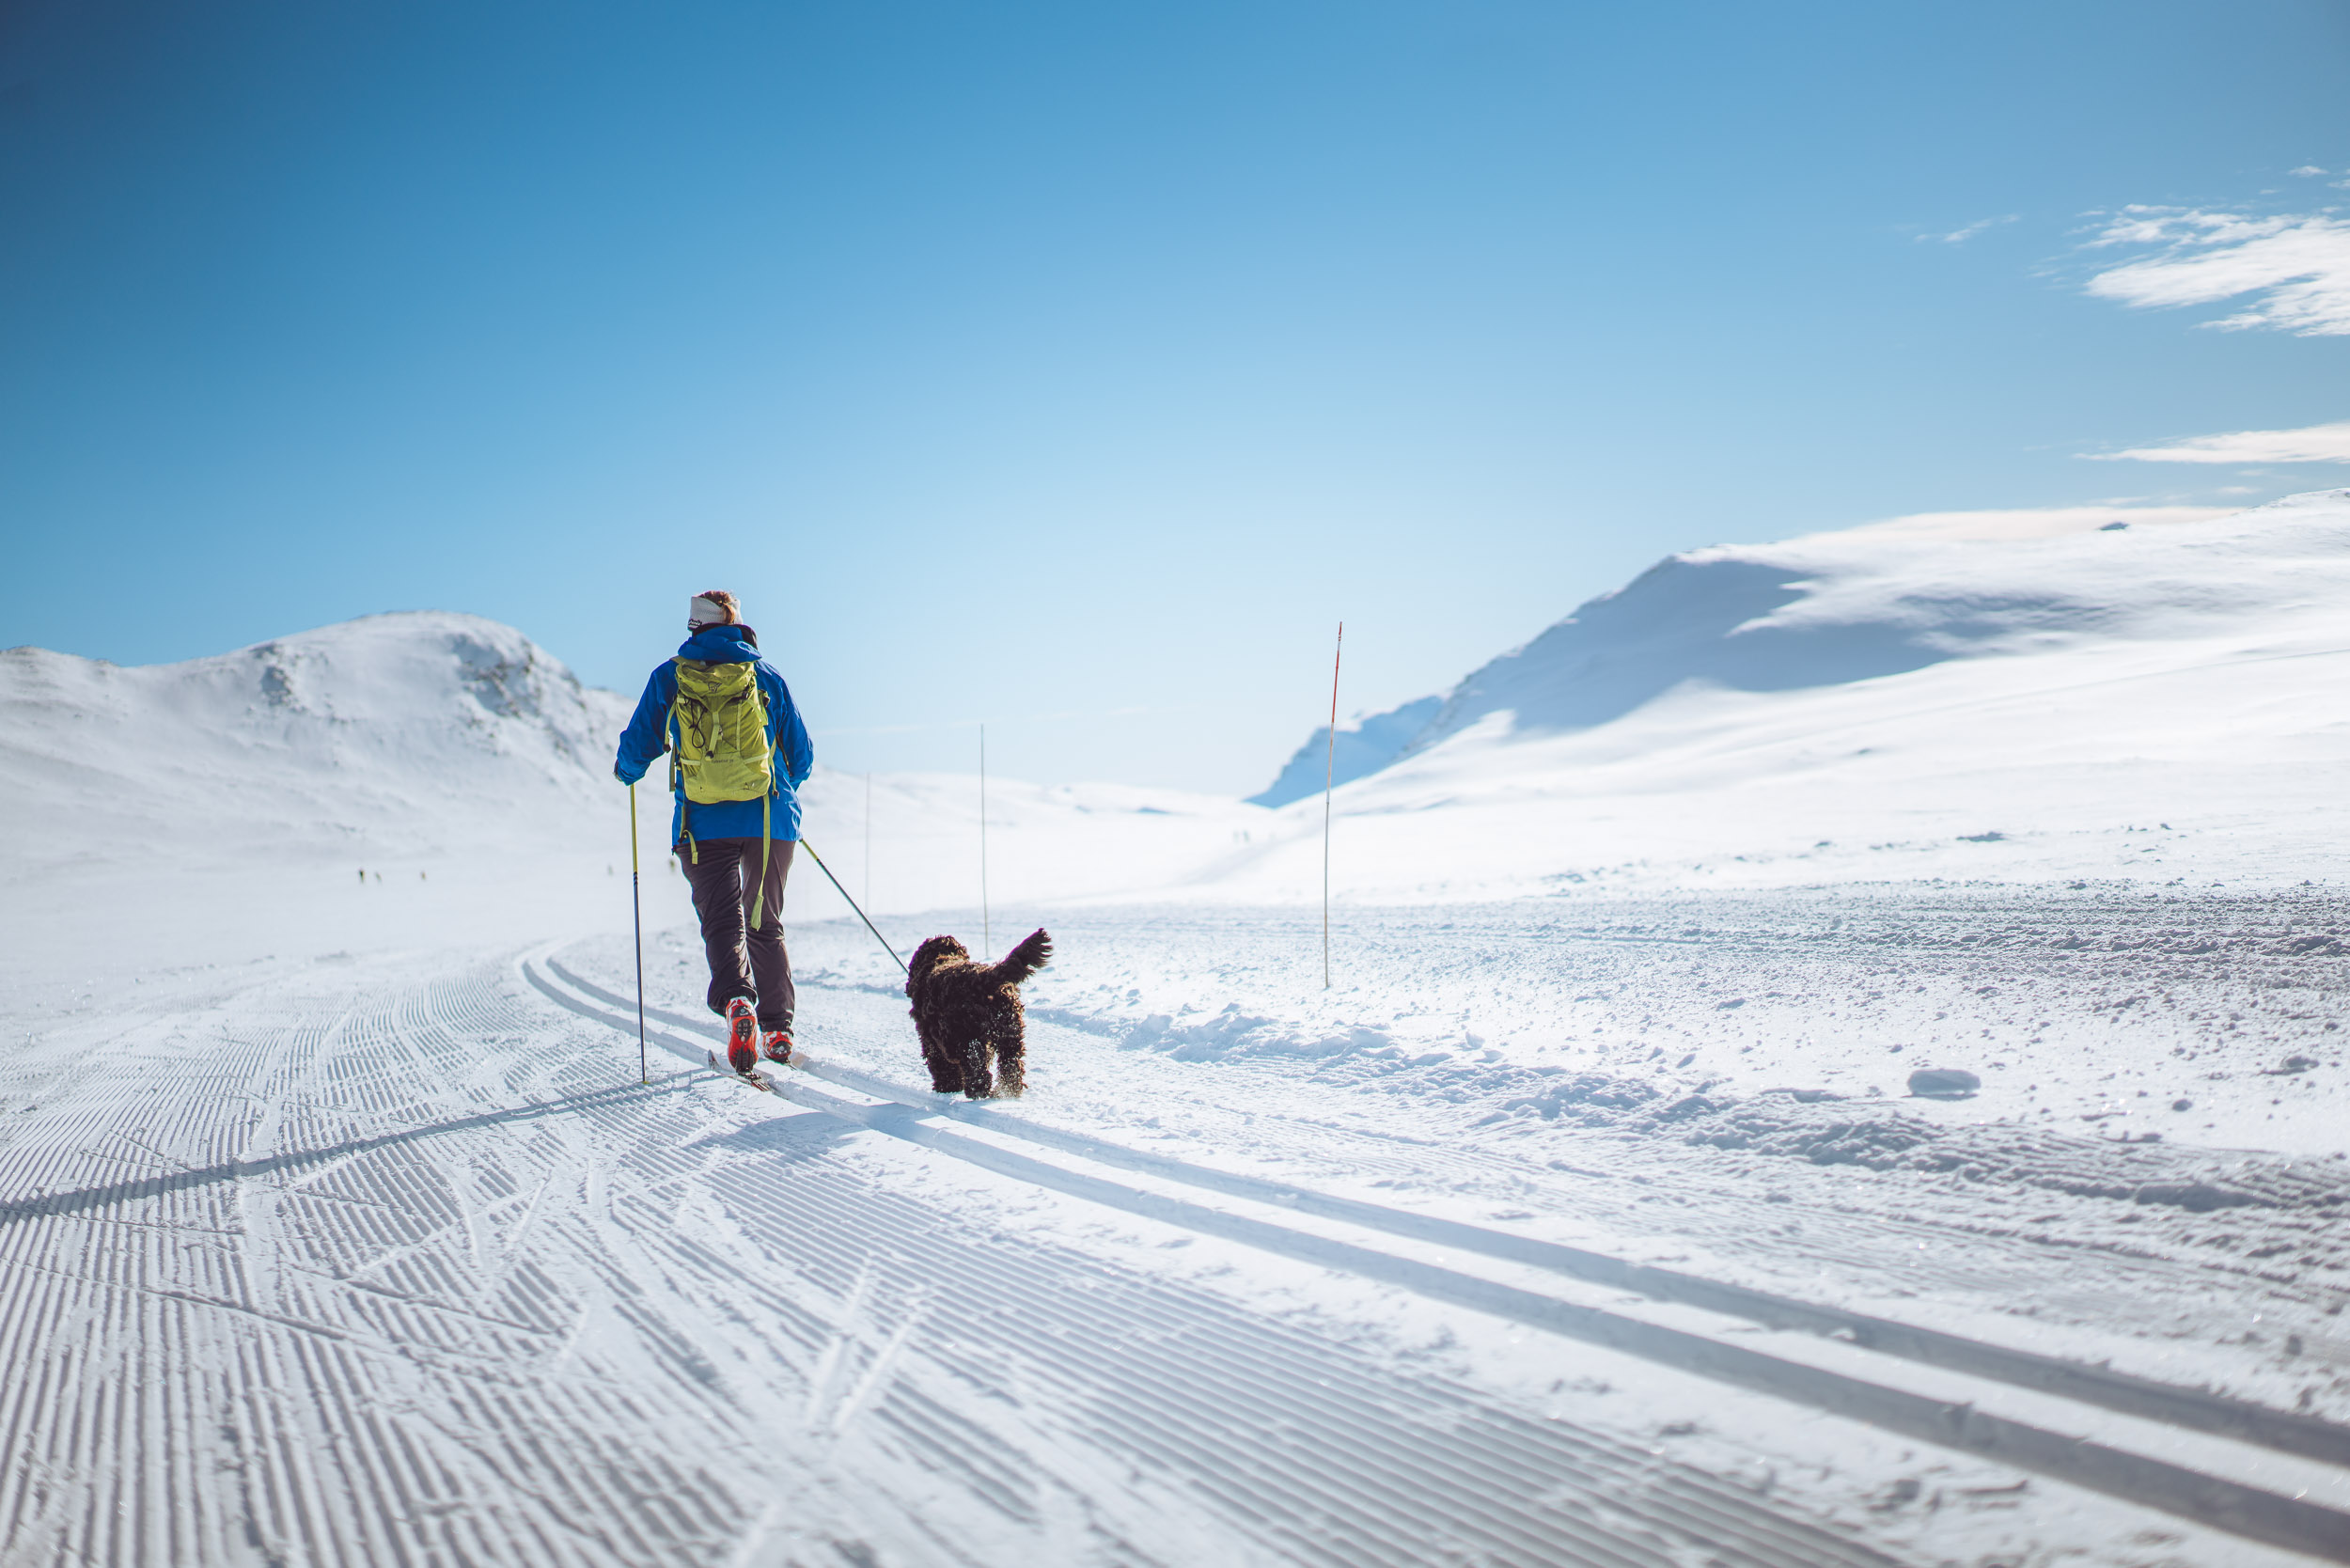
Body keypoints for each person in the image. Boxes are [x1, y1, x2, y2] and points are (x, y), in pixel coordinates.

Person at [614, 590, 814, 1074]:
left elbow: (636, 747)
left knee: (723, 923)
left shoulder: (670, 676)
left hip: (702, 824)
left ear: (693, 628)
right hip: (769, 820)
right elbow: (802, 755)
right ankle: (778, 1029)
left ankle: (737, 1003)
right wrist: (779, 783)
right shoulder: (764, 676)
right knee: (764, 921)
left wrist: (627, 771)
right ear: (738, 624)